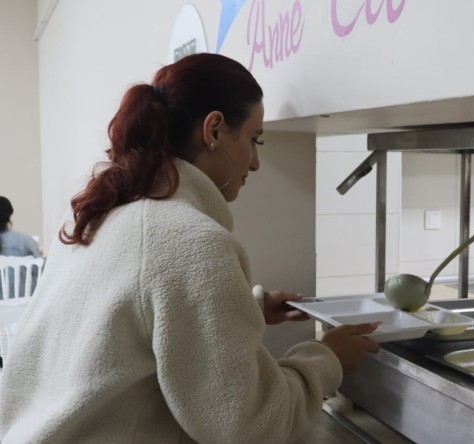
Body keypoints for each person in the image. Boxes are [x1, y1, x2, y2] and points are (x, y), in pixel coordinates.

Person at [0, 53, 380, 443]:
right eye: (254, 139)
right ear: (214, 130)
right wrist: (326, 359)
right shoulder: (191, 242)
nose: (255, 163)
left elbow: (118, 326)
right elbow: (248, 425)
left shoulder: (96, 212)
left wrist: (246, 309)